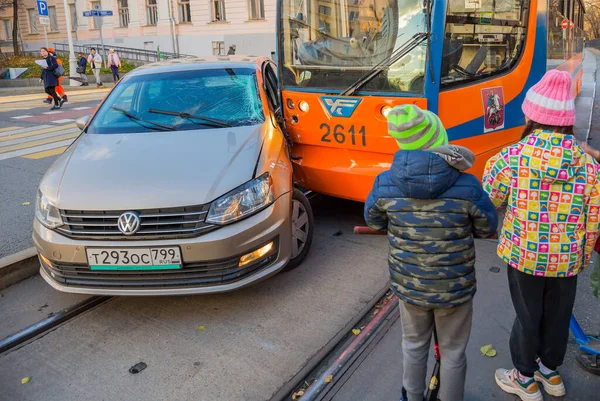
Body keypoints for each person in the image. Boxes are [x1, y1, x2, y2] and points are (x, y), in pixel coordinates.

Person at [364, 104, 497, 401]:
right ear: (440, 140)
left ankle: (411, 397)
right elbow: (487, 225)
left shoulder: (384, 184)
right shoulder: (467, 184)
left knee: (412, 344)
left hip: (410, 286)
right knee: (453, 351)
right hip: (454, 288)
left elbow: (373, 220)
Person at [482, 69, 600, 401]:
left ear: (532, 115)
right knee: (558, 315)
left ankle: (523, 378)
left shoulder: (510, 159)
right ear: (567, 120)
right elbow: (594, 218)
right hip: (568, 258)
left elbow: (487, 204)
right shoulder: (589, 166)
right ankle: (550, 372)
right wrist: (583, 252)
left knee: (528, 315)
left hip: (524, 255)